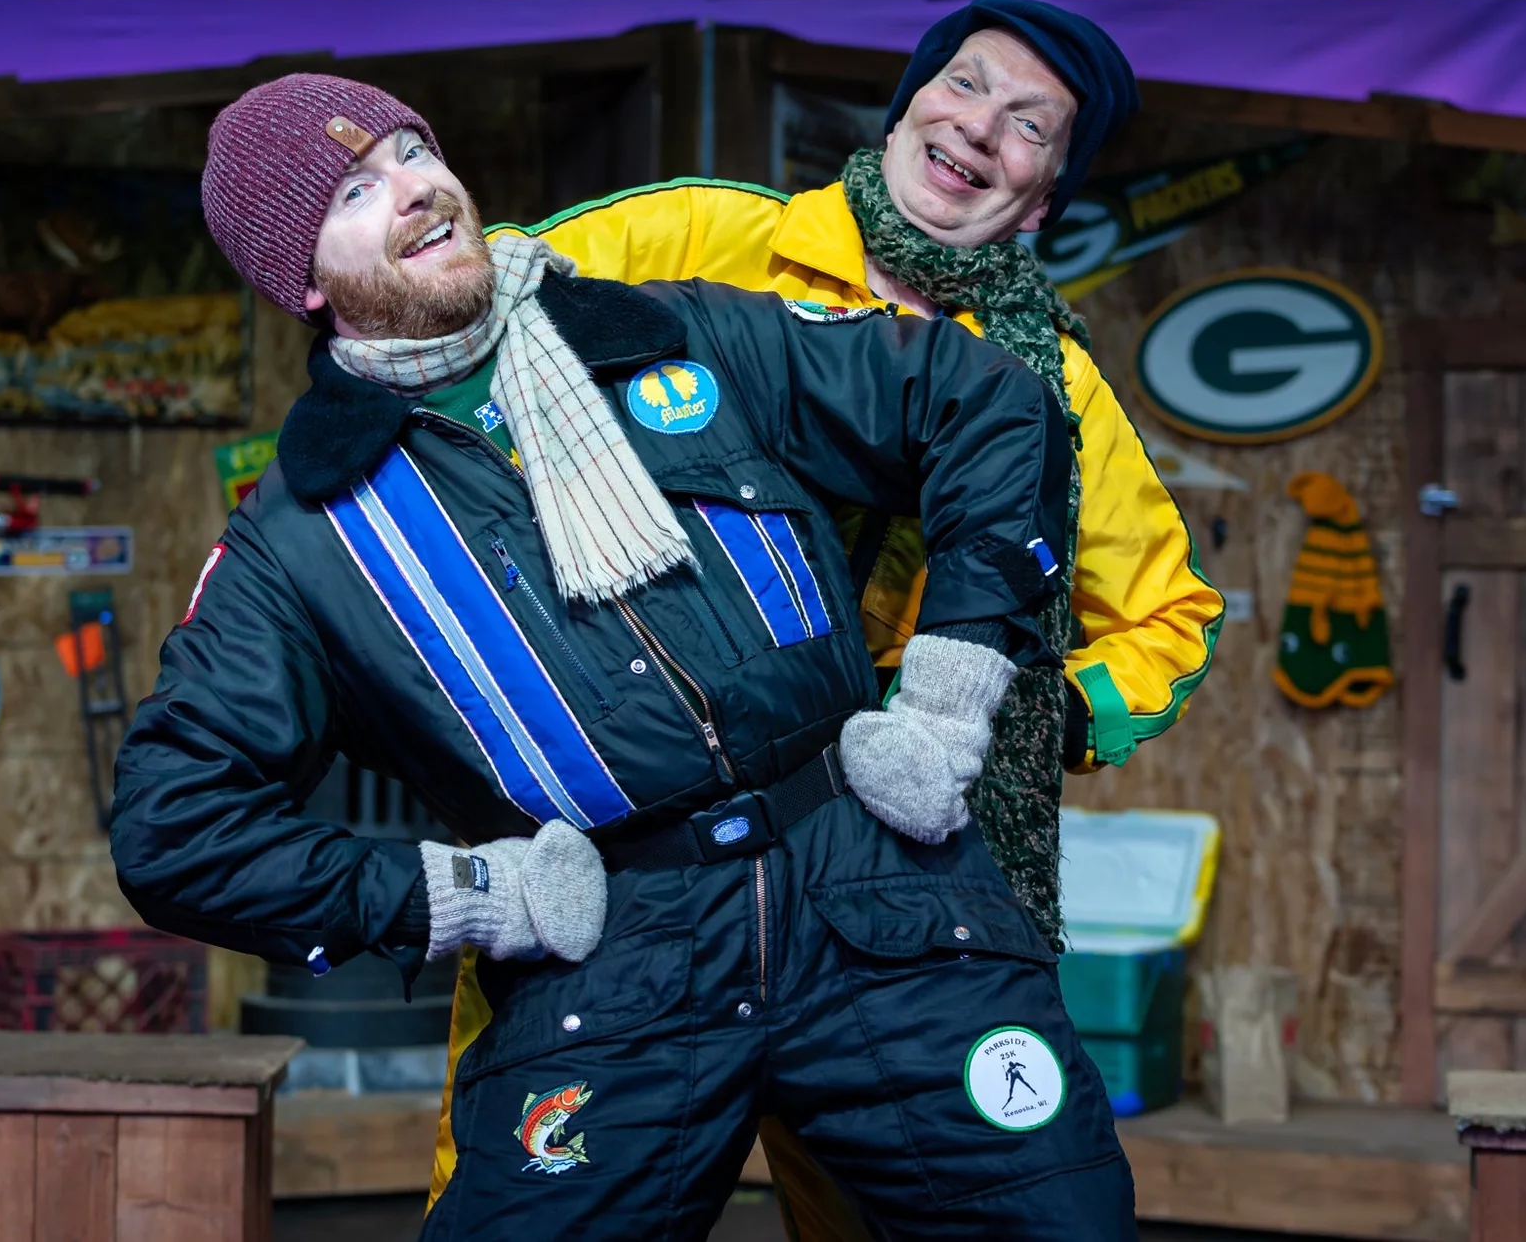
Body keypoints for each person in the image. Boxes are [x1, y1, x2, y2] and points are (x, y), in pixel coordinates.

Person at [109, 73, 1137, 1238]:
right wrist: (460, 897)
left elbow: (988, 403)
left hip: (878, 892)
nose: (413, 191)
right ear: (300, 277)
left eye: (409, 151)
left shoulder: (673, 330)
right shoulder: (301, 539)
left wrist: (950, 696)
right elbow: (173, 828)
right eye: (355, 190)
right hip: (612, 964)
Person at [435, 0, 1225, 1237]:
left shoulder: (1050, 384)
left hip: (881, 878)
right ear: (909, 98)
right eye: (963, 83)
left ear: (1044, 193)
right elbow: (465, 299)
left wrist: (1015, 713)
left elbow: (1171, 618)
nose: (977, 127)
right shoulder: (698, 234)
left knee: (897, 1213)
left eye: (1028, 125)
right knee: (536, 1196)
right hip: (629, 843)